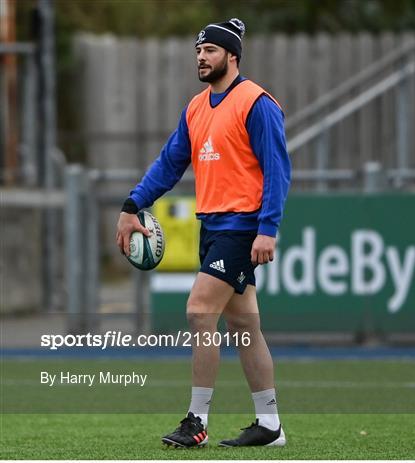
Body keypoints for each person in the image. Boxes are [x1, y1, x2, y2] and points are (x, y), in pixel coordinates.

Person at [116, 18, 291, 448]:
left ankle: (196, 422)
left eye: (210, 50)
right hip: (211, 227)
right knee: (245, 326)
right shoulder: (196, 108)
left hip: (241, 227)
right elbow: (169, 163)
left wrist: (267, 229)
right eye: (198, 50)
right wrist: (131, 205)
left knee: (198, 311)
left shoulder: (256, 103)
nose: (201, 57)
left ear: (231, 55)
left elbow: (278, 170)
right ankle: (270, 426)